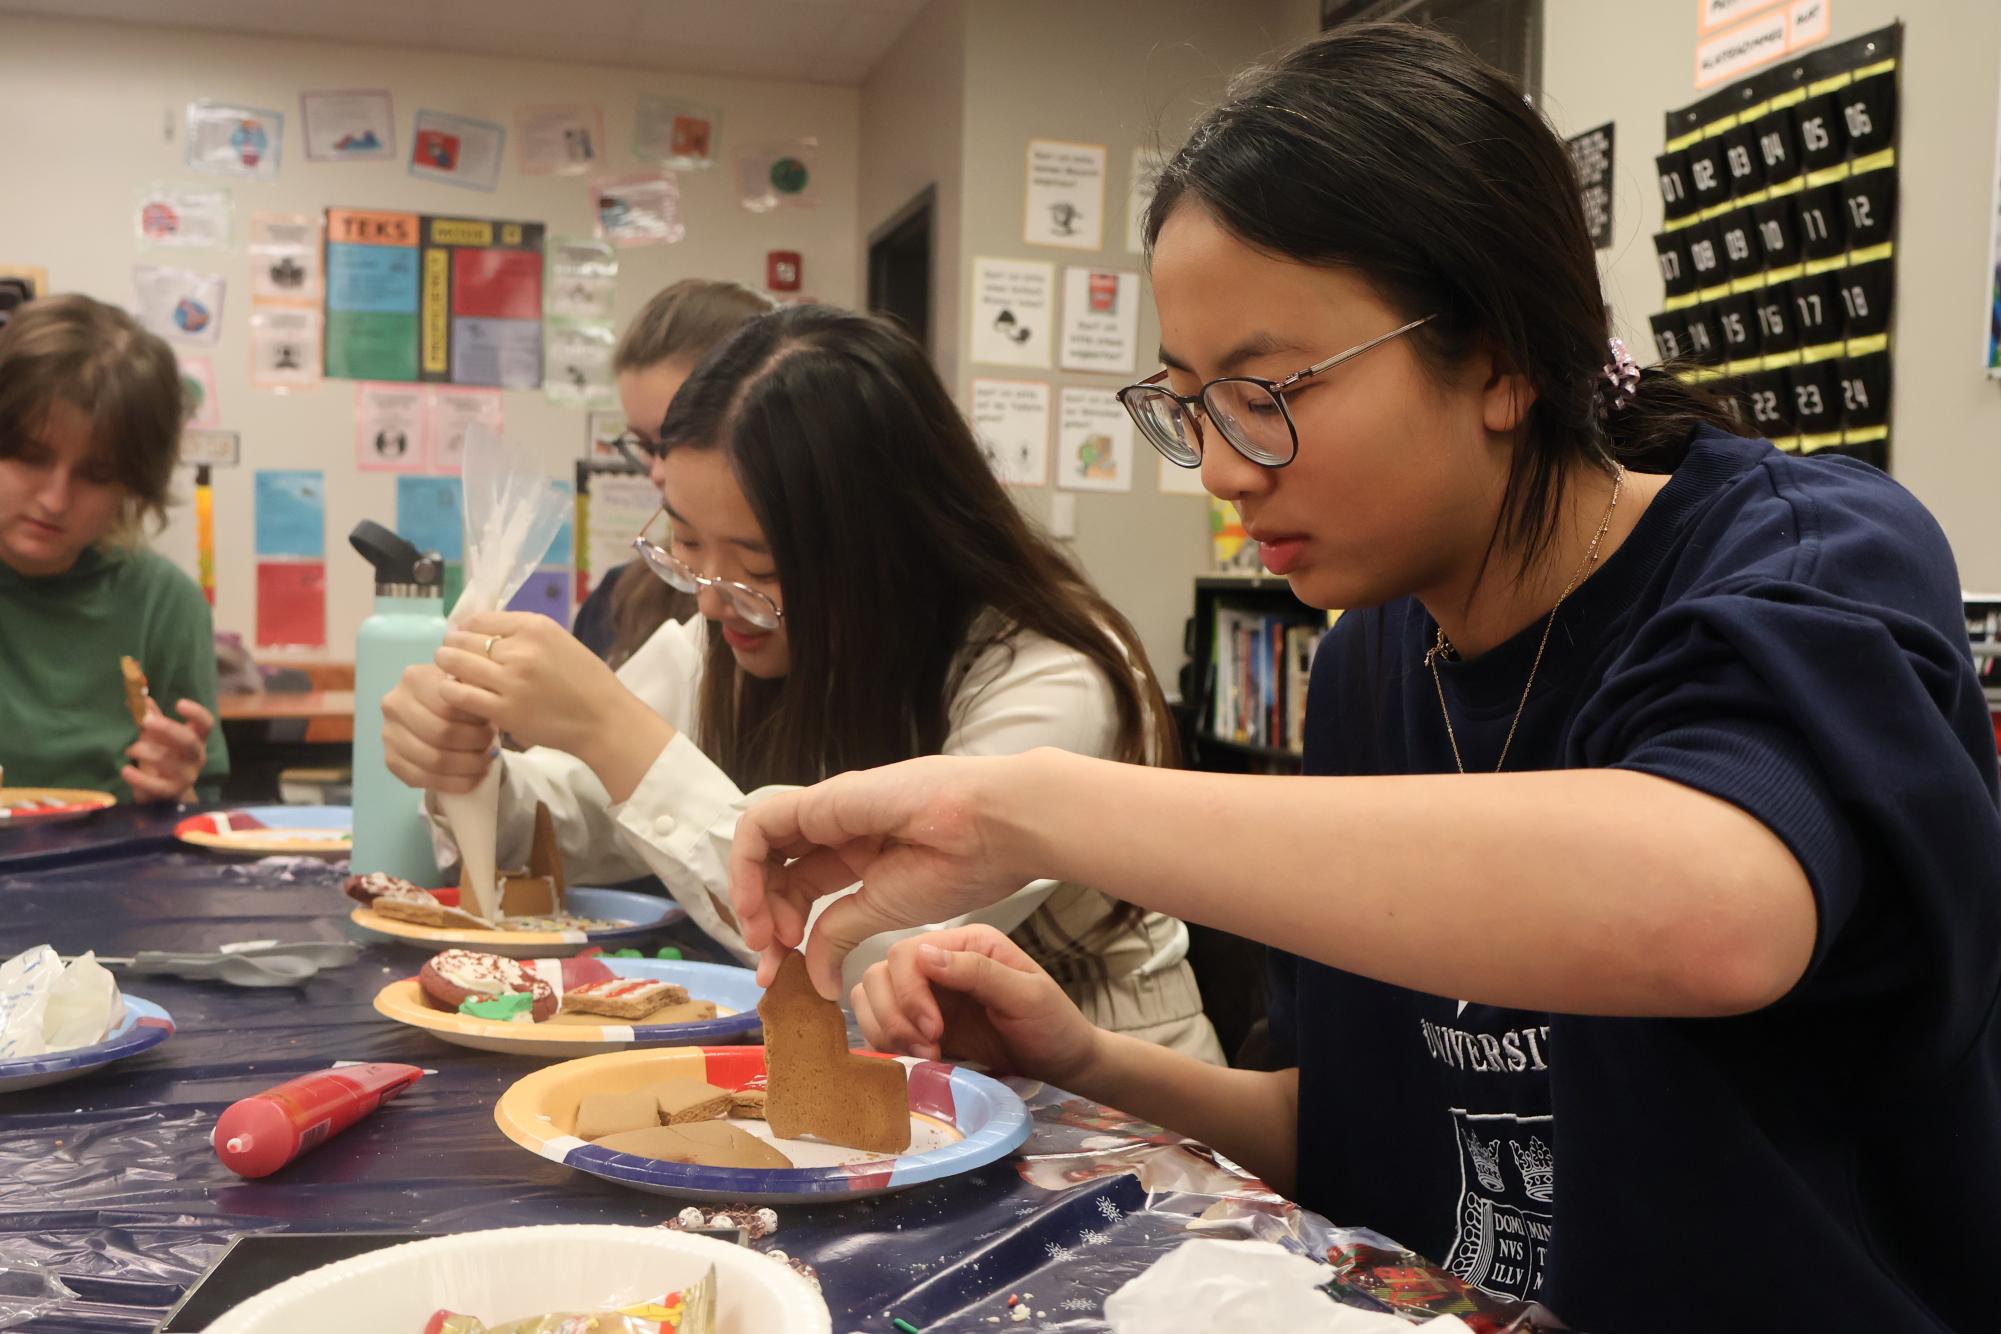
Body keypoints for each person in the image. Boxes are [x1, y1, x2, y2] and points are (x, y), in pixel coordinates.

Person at [724, 25, 2001, 1334]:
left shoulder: (1808, 558)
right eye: (1188, 403)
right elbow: (1358, 1136)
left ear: (1500, 353)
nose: (1221, 470)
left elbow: (1716, 912)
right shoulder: (1371, 666)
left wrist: (1028, 805)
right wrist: (1084, 1063)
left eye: (1264, 389)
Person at [382, 305, 1224, 1061]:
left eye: (761, 565)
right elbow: (572, 825)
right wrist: (470, 769)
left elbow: (897, 958)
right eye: (684, 544)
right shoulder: (729, 637)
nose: (710, 600)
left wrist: (612, 731)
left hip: (1105, 1107)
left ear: (891, 545)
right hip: (864, 1086)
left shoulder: (1046, 676)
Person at [0, 294, 226, 802]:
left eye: (95, 475)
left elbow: (198, 817)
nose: (55, 500)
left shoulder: (164, 604)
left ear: (132, 484)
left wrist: (177, 787)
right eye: (31, 458)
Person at [571, 279, 772, 666]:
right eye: (646, 446)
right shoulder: (619, 600)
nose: (658, 473)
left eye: (681, 438)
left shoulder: (802, 621)